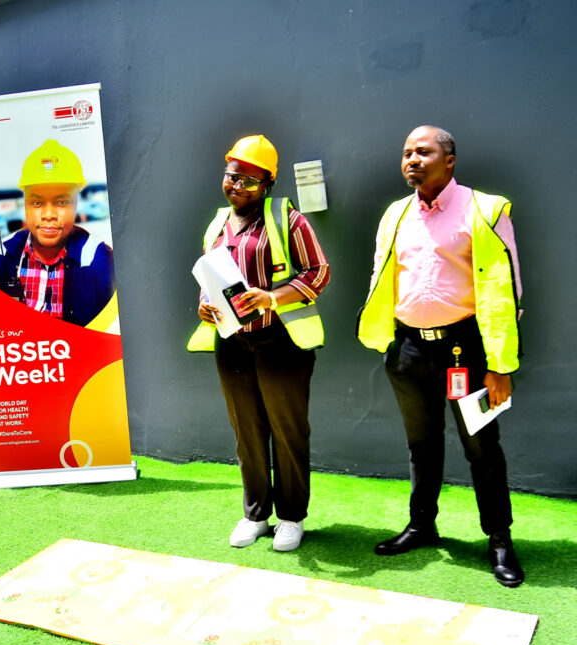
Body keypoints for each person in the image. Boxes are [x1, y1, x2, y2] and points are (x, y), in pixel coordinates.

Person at [358, 125, 524, 587]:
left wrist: (500, 366)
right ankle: (422, 525)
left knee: (482, 448)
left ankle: (500, 539)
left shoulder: (484, 209)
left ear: (449, 160)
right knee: (421, 445)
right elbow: (382, 276)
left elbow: (507, 290)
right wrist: (392, 344)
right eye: (406, 152)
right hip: (409, 349)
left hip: (464, 350)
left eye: (423, 152)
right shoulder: (395, 214)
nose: (412, 159)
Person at [194, 135, 330, 552]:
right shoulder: (218, 223)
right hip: (232, 342)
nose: (237, 186)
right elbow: (209, 277)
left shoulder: (288, 219)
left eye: (249, 181)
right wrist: (205, 304)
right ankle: (255, 515)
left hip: (280, 340)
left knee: (287, 432)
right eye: (232, 176)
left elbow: (319, 272)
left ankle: (291, 517)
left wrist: (272, 297)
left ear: (267, 184)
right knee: (246, 431)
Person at [0, 139, 114, 327]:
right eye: (36, 203)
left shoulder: (98, 258)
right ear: (25, 204)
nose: (48, 215)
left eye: (62, 202)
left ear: (76, 204)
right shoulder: (3, 254)